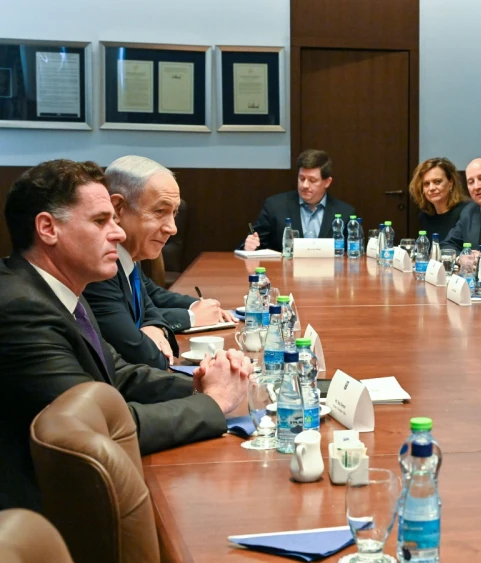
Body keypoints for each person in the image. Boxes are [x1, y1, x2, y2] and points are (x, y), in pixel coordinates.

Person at [0, 159, 250, 510]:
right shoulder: (21, 309)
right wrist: (212, 404)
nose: (117, 234)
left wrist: (201, 383)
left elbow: (116, 374)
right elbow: (94, 429)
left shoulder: (61, 292)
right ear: (47, 228)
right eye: (101, 221)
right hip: (41, 518)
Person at [83, 157, 236, 369]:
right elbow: (150, 358)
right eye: (159, 212)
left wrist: (157, 324)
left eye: (174, 213)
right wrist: (190, 317)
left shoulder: (129, 257)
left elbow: (150, 299)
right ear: (118, 209)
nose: (172, 228)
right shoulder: (98, 269)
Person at [242, 149, 355, 251]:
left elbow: (353, 253)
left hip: (328, 273)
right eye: (302, 179)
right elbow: (255, 245)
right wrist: (249, 246)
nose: (305, 185)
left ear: (327, 182)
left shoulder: (345, 213)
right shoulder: (275, 206)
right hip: (284, 272)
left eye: (312, 180)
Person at [409, 157, 472, 238]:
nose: (431, 188)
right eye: (426, 184)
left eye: (437, 182)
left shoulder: (466, 212)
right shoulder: (424, 217)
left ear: (450, 183)